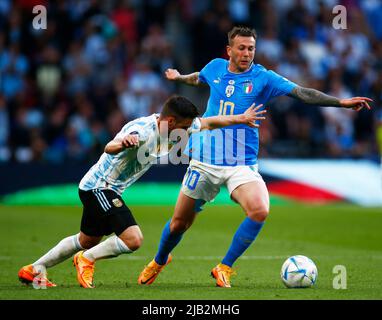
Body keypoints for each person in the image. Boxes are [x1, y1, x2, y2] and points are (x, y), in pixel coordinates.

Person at [138, 26, 373, 288]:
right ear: (230, 50)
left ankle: (224, 267)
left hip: (241, 164)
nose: (247, 53)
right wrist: (180, 77)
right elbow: (199, 78)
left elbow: (303, 93)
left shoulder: (263, 77)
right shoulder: (215, 67)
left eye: (251, 48)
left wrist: (340, 103)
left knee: (260, 209)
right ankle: (159, 260)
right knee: (179, 223)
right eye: (241, 48)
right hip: (204, 160)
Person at [17, 95, 265, 288]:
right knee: (133, 239)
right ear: (170, 122)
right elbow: (109, 146)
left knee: (86, 239)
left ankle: (34, 269)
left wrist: (241, 118)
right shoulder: (141, 130)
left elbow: (210, 123)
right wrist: (122, 143)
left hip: (99, 188)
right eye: (185, 126)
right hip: (100, 188)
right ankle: (86, 259)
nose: (187, 131)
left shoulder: (179, 125)